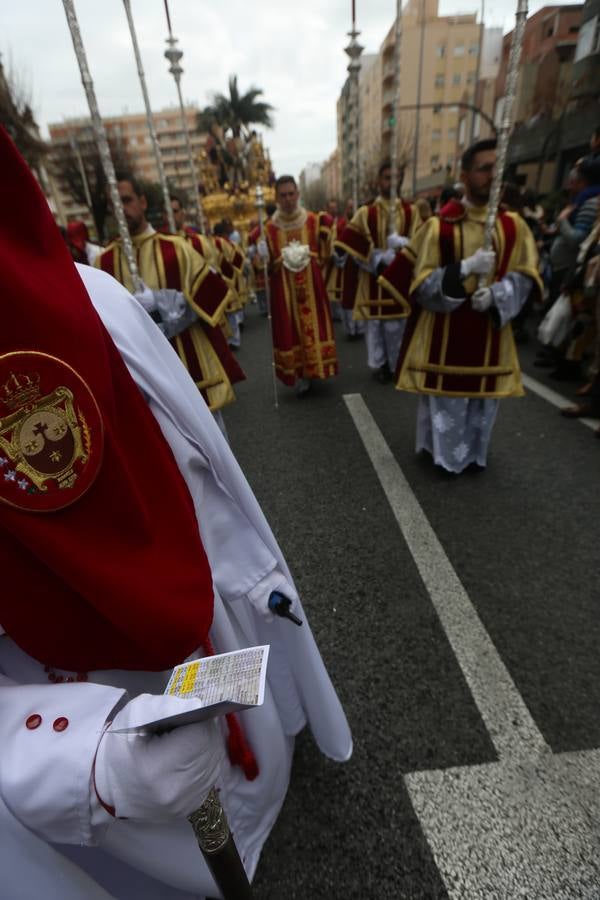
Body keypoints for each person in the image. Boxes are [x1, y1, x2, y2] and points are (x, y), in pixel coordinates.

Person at [0, 126, 352, 899]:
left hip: (193, 608)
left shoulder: (92, 293)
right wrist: (73, 756)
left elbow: (208, 486)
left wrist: (256, 594)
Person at [394, 138, 541, 474]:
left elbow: (526, 274)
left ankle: (474, 454)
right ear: (464, 174)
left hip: (490, 331)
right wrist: (463, 269)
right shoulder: (439, 226)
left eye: (497, 168)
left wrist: (499, 294)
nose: (492, 175)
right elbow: (422, 285)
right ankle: (443, 456)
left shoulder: (513, 226)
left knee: (481, 402)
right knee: (447, 400)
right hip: (446, 334)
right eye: (484, 168)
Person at [95, 174, 245, 432]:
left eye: (127, 200)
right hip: (142, 373)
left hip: (189, 362)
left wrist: (166, 304)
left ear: (142, 202)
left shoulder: (177, 248)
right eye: (114, 205)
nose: (121, 210)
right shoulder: (102, 262)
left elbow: (215, 297)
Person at [251, 175, 338, 395]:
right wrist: (261, 256)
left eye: (291, 194)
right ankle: (300, 375)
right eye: (283, 195)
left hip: (310, 286)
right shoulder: (269, 229)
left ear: (297, 194)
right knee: (292, 330)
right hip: (285, 291)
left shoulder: (313, 221)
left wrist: (316, 261)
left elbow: (327, 252)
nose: (288, 199)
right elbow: (264, 266)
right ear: (277, 198)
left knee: (314, 326)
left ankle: (316, 367)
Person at [335, 161, 421, 384]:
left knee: (396, 326)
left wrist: (404, 245)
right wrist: (378, 259)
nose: (391, 182)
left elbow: (424, 243)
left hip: (400, 281)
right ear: (378, 181)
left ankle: (396, 365)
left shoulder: (412, 212)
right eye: (387, 178)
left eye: (396, 177)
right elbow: (354, 244)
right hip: (372, 278)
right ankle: (379, 364)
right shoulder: (366, 212)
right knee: (374, 326)